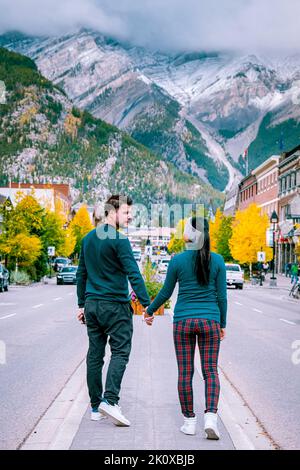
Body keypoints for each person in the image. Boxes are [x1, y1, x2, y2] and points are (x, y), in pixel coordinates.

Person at [144, 217, 227, 440]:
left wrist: (149, 311)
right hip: (210, 321)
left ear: (190, 235)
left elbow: (165, 292)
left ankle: (189, 422)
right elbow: (222, 297)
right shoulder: (218, 261)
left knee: (185, 371)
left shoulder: (178, 260)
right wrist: (223, 324)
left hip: (183, 322)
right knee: (210, 371)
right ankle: (210, 417)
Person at [76, 195, 153, 426]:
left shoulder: (88, 239)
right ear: (112, 212)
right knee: (120, 352)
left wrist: (81, 304)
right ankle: (110, 400)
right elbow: (134, 274)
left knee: (95, 355)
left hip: (92, 305)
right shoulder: (119, 240)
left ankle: (94, 407)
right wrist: (147, 305)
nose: (130, 217)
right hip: (116, 306)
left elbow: (82, 275)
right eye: (127, 213)